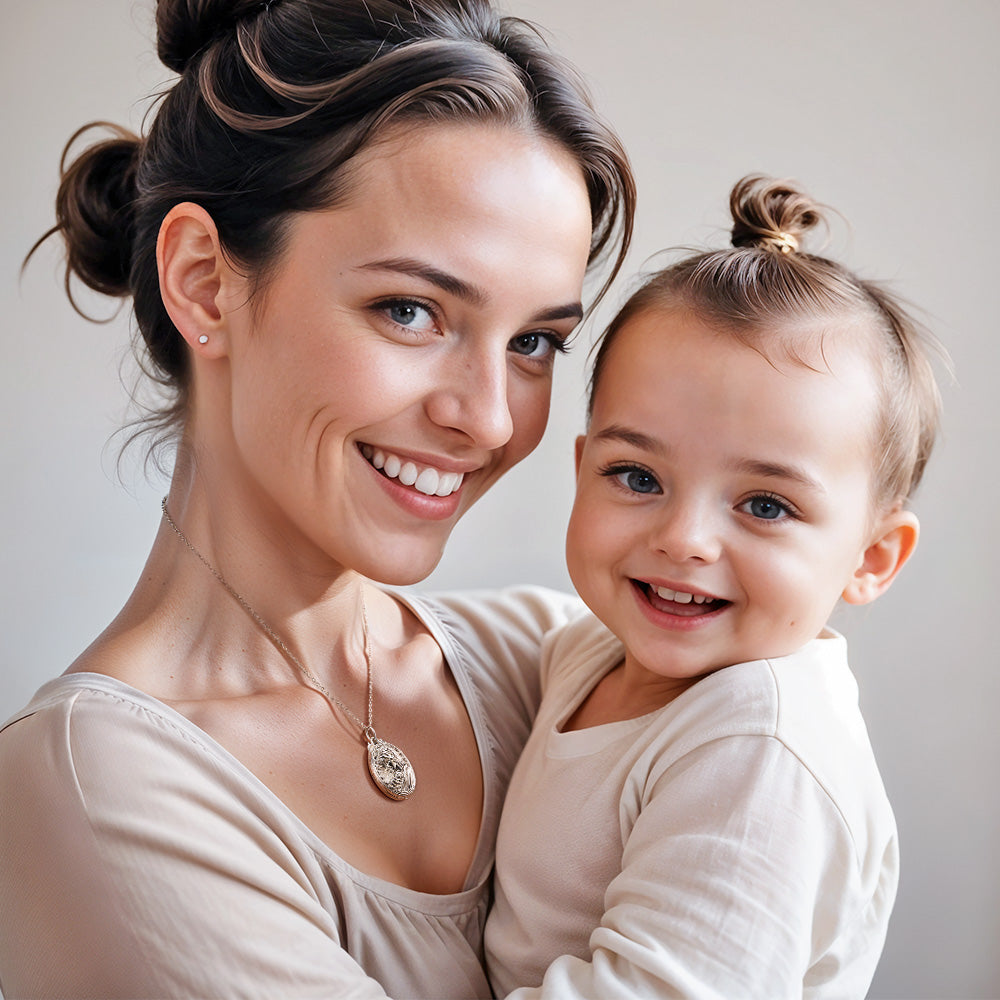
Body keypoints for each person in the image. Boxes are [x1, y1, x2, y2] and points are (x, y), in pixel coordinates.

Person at [0, 2, 635, 997]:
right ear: (203, 282)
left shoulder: (554, 663)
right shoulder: (98, 778)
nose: (488, 419)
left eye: (533, 343)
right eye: (411, 310)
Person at [485, 175, 944, 998]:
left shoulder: (762, 751)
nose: (684, 539)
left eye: (765, 504)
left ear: (873, 557)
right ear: (583, 471)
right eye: (636, 476)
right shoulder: (588, 652)